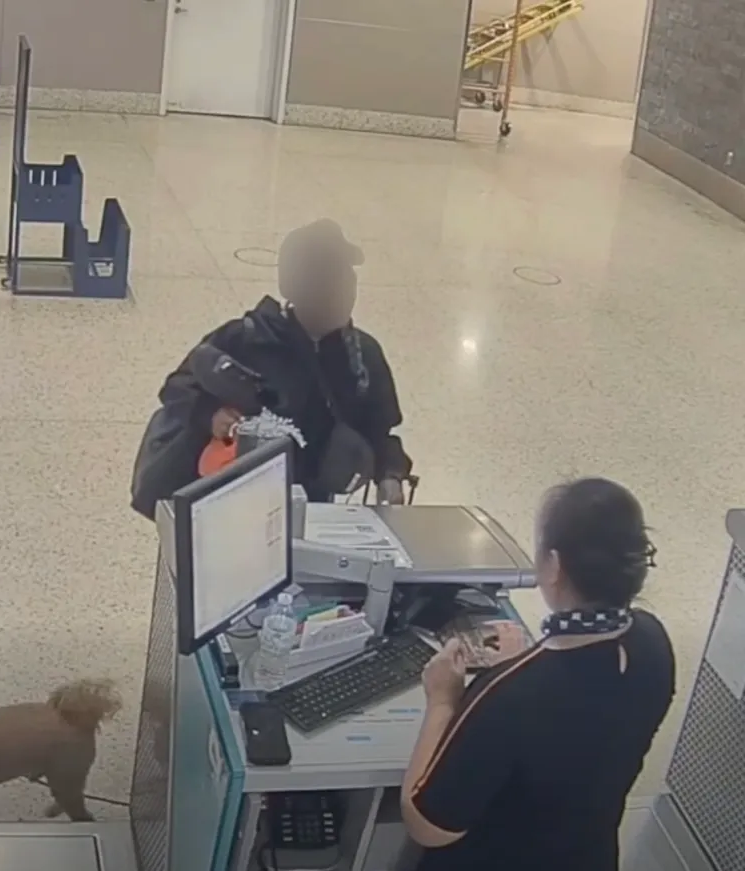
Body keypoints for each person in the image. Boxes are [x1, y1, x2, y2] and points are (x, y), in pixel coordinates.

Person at [400, 477, 675, 871]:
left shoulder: (509, 695)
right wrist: (528, 660)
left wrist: (443, 700)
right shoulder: (652, 641)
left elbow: (427, 826)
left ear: (554, 566)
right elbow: (582, 704)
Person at [157, 218, 411, 503]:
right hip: (236, 501)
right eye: (330, 282)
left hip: (314, 505)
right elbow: (177, 389)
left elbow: (378, 431)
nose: (345, 293)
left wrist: (390, 475)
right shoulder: (245, 340)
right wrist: (211, 414)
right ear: (296, 287)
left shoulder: (363, 356)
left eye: (348, 280)